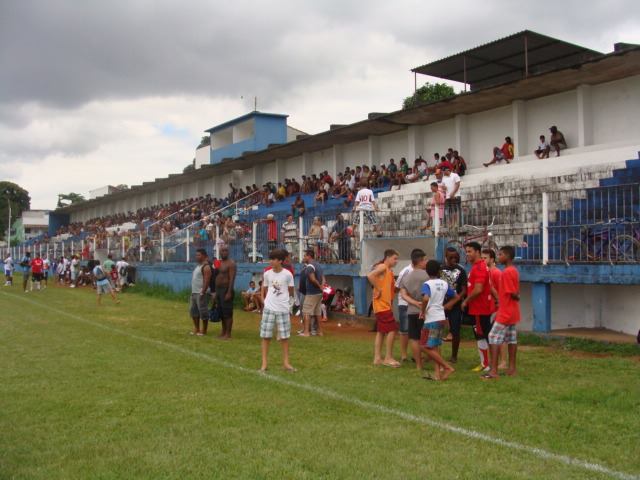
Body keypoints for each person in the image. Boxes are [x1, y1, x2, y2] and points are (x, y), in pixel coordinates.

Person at [483, 246, 521, 379]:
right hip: (513, 310)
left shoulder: (506, 272)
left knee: (493, 336)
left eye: (500, 255)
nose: (498, 257)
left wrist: (512, 298)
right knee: (511, 339)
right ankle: (512, 369)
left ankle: (493, 371)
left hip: (505, 311)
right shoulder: (514, 270)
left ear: (507, 256)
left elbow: (512, 292)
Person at [420, 260, 459, 381]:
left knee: (424, 346)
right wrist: (446, 306)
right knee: (435, 347)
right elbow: (456, 296)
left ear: (427, 271)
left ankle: (447, 367)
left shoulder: (427, 284)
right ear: (439, 271)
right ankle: (437, 374)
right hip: (441, 317)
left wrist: (422, 311)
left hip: (431, 319)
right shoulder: (444, 284)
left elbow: (425, 298)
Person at [260, 249, 296, 372]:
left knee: (284, 337)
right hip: (269, 308)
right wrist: (264, 299)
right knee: (266, 336)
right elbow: (265, 288)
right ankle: (264, 364)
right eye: (270, 259)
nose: (271, 261)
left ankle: (286, 363)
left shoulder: (288, 274)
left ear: (280, 261)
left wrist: (287, 302)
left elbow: (291, 290)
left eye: (273, 259)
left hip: (283, 309)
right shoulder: (267, 274)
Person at [461, 242, 493, 372]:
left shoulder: (479, 267)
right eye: (466, 251)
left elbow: (478, 289)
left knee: (483, 335)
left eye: (470, 251)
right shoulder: (477, 266)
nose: (467, 254)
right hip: (480, 307)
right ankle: (486, 363)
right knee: (482, 335)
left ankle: (488, 364)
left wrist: (466, 301)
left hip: (480, 308)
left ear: (478, 252)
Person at [367, 248, 400, 367]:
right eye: (395, 258)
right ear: (388, 258)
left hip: (383, 305)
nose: (396, 261)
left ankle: (377, 358)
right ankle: (388, 357)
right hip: (382, 306)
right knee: (392, 330)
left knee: (381, 332)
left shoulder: (388, 270)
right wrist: (378, 289)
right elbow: (370, 275)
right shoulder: (383, 267)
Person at [399, 249, 429, 371]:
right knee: (428, 338)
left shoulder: (407, 276)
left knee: (414, 338)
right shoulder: (427, 276)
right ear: (420, 261)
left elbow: (403, 294)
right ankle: (435, 361)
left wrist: (414, 302)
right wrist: (420, 304)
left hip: (411, 311)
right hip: (426, 311)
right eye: (425, 260)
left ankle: (418, 365)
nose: (426, 262)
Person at [440, 248, 468, 363]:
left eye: (456, 257)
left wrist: (453, 302)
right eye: (450, 257)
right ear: (446, 257)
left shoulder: (461, 270)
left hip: (455, 305)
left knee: (455, 330)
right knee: (436, 329)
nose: (453, 259)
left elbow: (464, 290)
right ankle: (434, 354)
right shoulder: (440, 269)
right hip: (441, 304)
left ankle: (454, 356)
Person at [482, 248, 506, 369]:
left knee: (498, 335)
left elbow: (501, 291)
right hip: (488, 307)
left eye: (485, 258)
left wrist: (499, 303)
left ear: (492, 259)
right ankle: (493, 360)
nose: (483, 260)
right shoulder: (485, 272)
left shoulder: (496, 273)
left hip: (496, 308)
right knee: (490, 335)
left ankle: (503, 361)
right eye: (482, 258)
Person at [395, 254, 416, 362]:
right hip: (405, 304)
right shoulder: (406, 271)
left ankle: (415, 354)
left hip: (416, 304)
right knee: (405, 329)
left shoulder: (422, 271)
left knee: (416, 330)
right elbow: (396, 287)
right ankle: (404, 355)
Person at [299, 249, 324, 337]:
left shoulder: (310, 266)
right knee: (317, 313)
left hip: (311, 293)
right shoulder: (318, 265)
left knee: (306, 312)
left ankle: (306, 332)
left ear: (309, 256)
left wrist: (319, 286)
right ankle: (320, 332)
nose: (304, 257)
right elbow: (323, 278)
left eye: (305, 256)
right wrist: (321, 287)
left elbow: (312, 279)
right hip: (318, 293)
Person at [189, 248, 212, 336]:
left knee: (203, 312)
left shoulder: (206, 267)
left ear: (204, 256)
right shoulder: (198, 266)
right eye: (196, 255)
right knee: (193, 311)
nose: (197, 256)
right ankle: (197, 328)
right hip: (194, 292)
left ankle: (204, 330)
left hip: (201, 293)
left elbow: (207, 280)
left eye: (198, 255)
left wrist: (203, 291)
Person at [215, 246, 236, 340]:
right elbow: (216, 275)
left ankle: (228, 333)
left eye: (226, 250)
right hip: (218, 290)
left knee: (227, 313)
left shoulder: (231, 263)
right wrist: (215, 291)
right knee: (221, 313)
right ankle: (223, 331)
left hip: (226, 289)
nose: (224, 252)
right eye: (222, 251)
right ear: (219, 252)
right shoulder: (218, 262)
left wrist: (229, 292)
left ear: (228, 252)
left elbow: (232, 279)